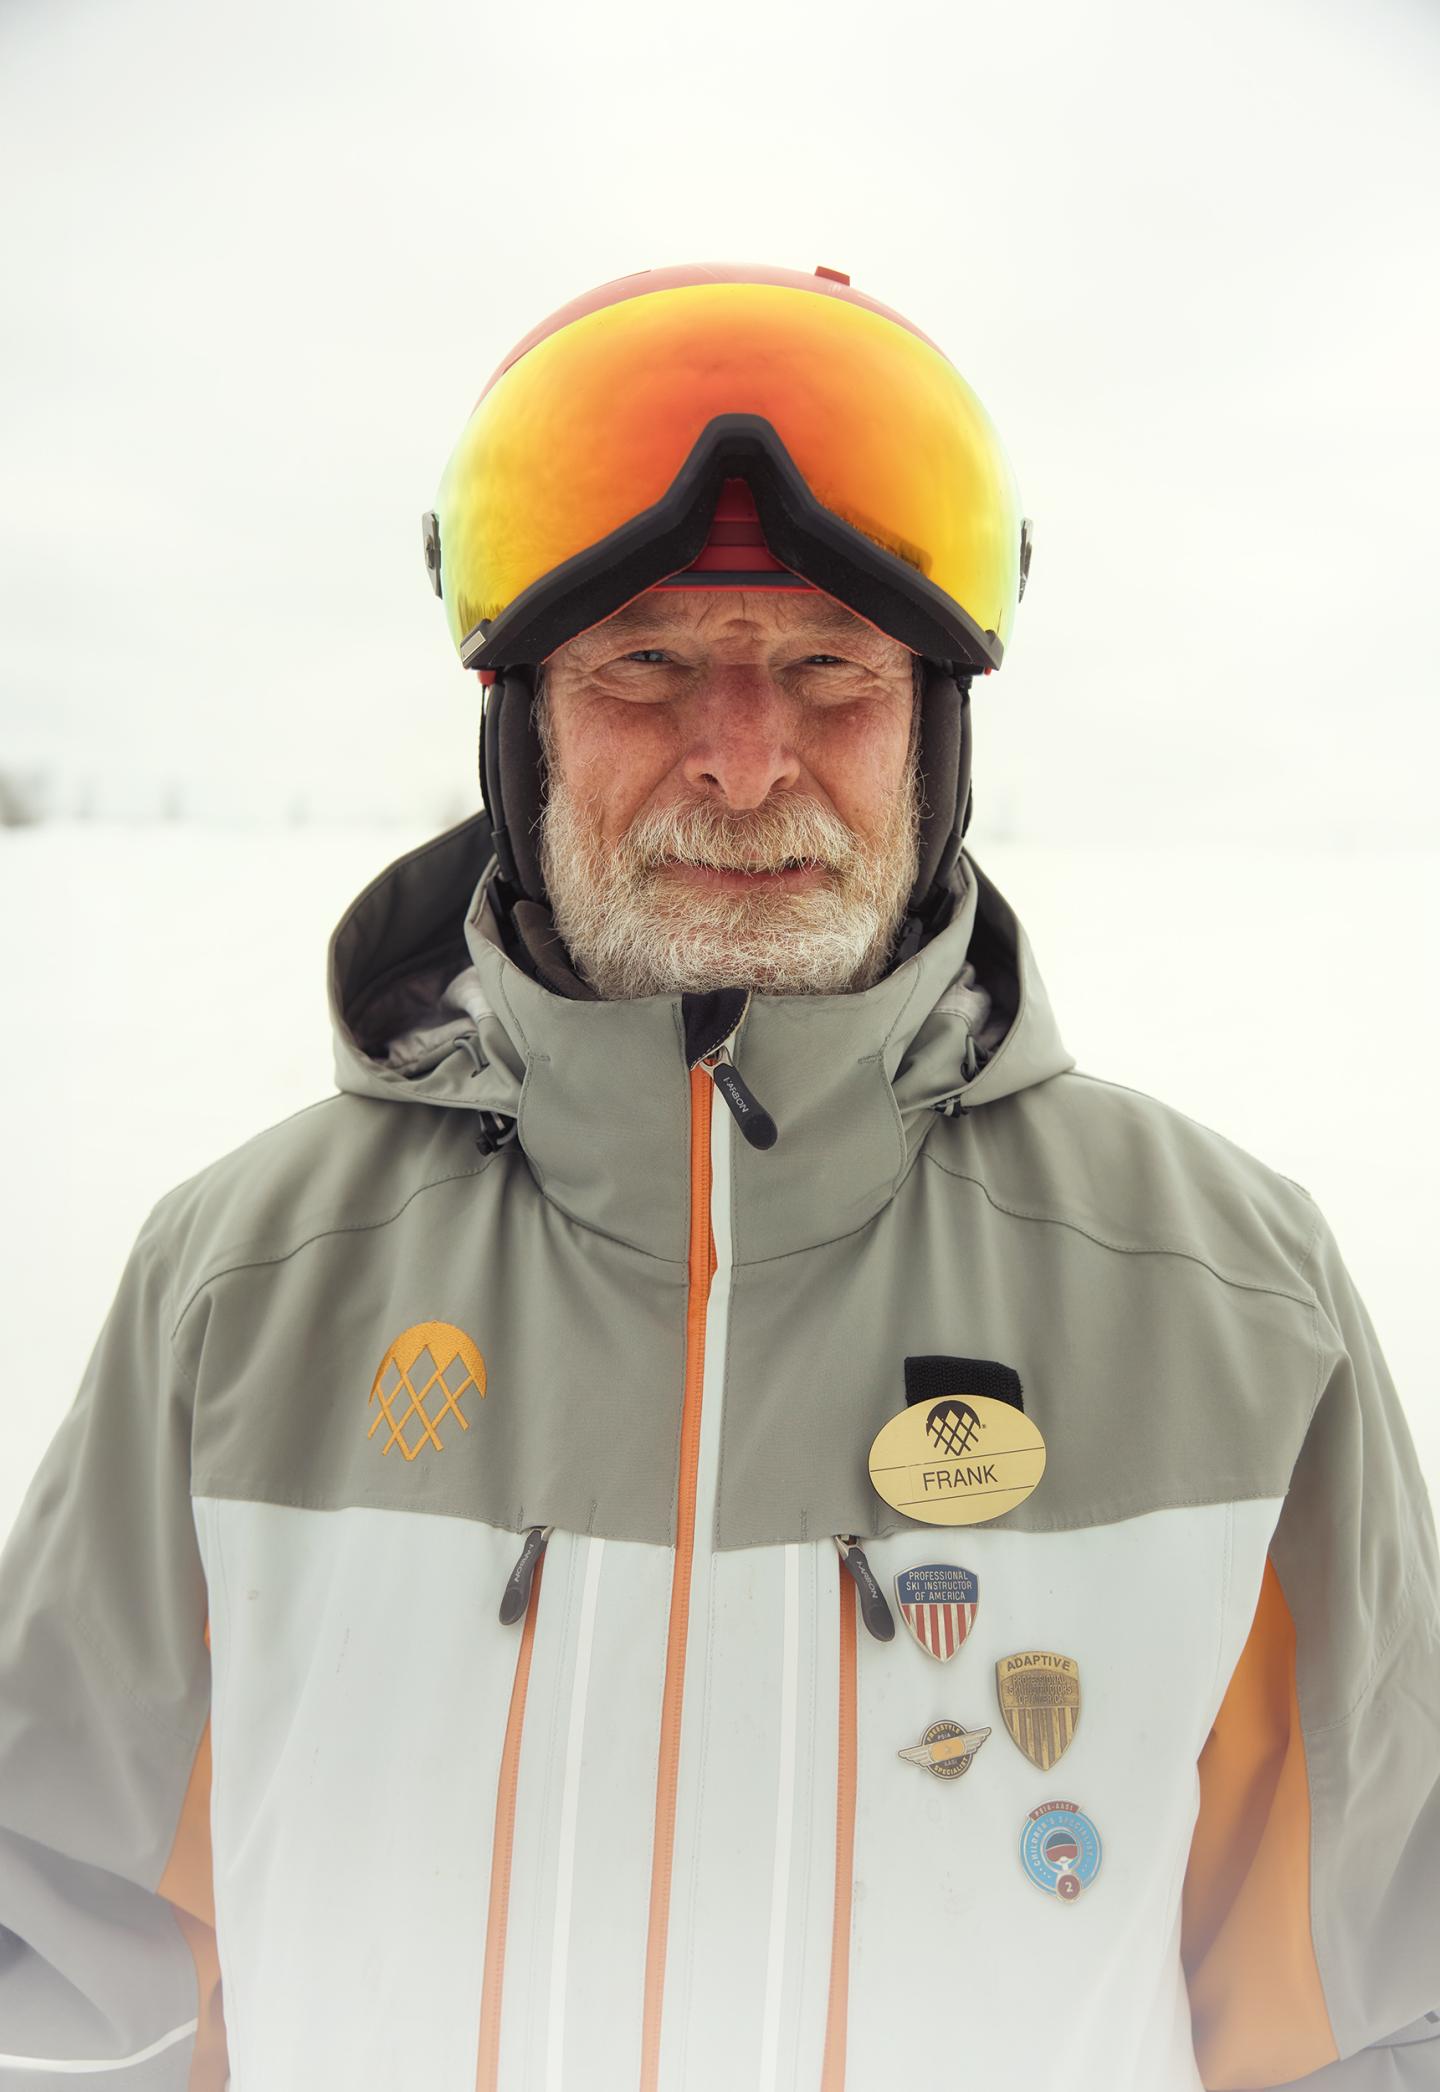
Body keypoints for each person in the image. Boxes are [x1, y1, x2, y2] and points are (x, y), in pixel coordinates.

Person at [0, 260, 1435, 2092]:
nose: (746, 765)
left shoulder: (1228, 1307)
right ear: (525, 723)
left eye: (831, 668)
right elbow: (62, 1988)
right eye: (648, 663)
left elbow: (1370, 2014)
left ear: (934, 726)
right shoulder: (246, 1292)